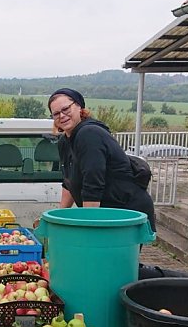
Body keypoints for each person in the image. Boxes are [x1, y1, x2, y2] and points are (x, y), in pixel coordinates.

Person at [48, 88, 156, 232]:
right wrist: (58, 218)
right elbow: (69, 183)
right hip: (104, 214)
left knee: (111, 254)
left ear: (79, 106)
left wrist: (89, 226)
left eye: (66, 109)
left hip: (124, 213)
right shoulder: (65, 142)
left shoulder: (89, 134)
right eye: (56, 113)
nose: (62, 116)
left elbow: (93, 183)